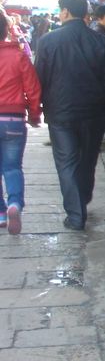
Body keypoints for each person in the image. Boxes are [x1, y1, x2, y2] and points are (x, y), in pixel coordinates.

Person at [34, 0, 105, 230]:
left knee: (66, 162)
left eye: (61, 10)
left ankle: (75, 214)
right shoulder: (101, 41)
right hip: (94, 112)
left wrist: (38, 108)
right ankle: (81, 200)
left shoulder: (48, 41)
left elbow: (40, 77)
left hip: (61, 112)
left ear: (66, 12)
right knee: (87, 160)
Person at [0, 14, 42, 235]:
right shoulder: (18, 56)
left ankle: (0, 213)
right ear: (7, 30)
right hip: (13, 121)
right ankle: (15, 204)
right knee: (12, 167)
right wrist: (35, 115)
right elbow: (32, 88)